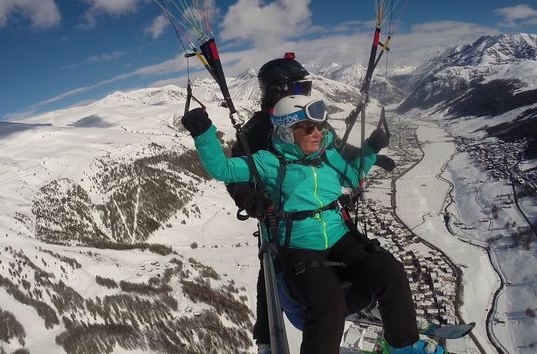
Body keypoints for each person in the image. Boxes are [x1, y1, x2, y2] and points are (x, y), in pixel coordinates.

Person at [181, 94, 444, 354]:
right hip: (299, 242)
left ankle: (403, 345)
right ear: (285, 133)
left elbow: (353, 175)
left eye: (318, 126)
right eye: (307, 128)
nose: (317, 132)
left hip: (339, 234)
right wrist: (204, 135)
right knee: (329, 303)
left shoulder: (327, 153)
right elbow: (223, 170)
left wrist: (370, 149)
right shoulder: (268, 162)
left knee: (390, 269)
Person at [225, 54, 396, 353]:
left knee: (348, 250)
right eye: (301, 87)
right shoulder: (253, 132)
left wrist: (368, 154)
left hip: (321, 213)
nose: (306, 94)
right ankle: (267, 337)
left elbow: (335, 149)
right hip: (280, 217)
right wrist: (250, 199)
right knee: (272, 269)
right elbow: (234, 175)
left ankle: (348, 296)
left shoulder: (306, 116)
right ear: (280, 89)